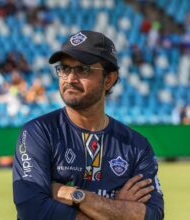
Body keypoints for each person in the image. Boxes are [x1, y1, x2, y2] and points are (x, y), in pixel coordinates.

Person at [12, 30, 164, 219]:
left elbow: (153, 215)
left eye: (83, 69)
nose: (70, 78)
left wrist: (74, 195)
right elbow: (32, 210)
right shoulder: (38, 133)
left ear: (109, 79)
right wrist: (118, 210)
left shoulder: (136, 146)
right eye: (65, 69)